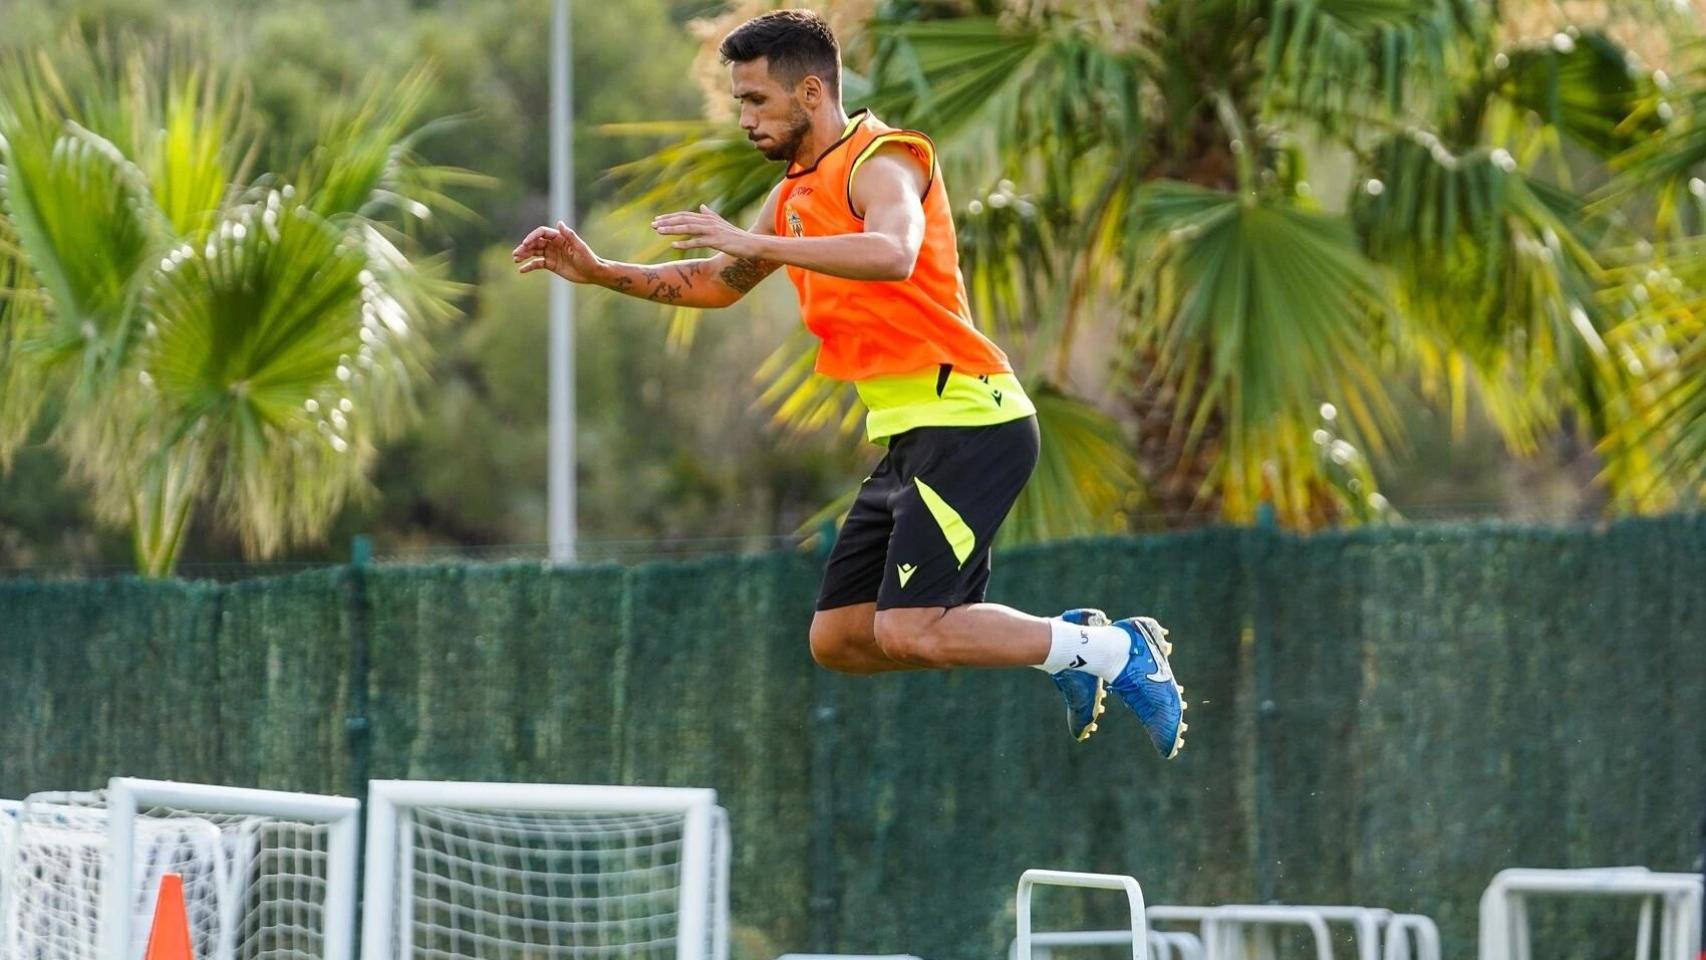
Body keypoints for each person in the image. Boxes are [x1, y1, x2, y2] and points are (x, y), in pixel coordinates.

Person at [513, 9, 1186, 757]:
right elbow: (717, 282)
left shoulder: (881, 159)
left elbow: (894, 251)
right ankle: (1071, 646)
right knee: (839, 638)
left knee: (909, 627)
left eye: (756, 100)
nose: (745, 118)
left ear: (810, 92)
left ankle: (1116, 651)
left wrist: (762, 243)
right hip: (910, 436)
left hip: (971, 420)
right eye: (739, 102)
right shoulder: (794, 194)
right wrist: (600, 271)